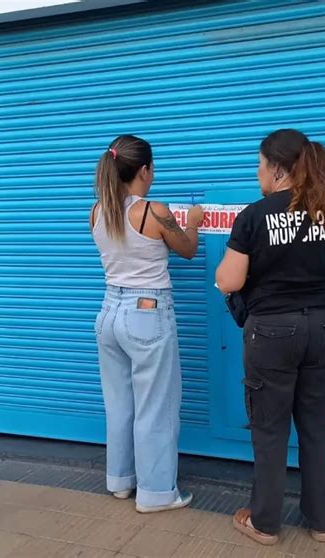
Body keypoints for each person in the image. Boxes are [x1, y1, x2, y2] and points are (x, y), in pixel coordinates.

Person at [216, 129, 325, 545]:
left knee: (270, 430)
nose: (258, 173)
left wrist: (224, 275)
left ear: (277, 169)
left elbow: (231, 279)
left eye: (259, 164)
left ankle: (265, 523)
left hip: (273, 332)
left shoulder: (254, 216)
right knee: (315, 428)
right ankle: (322, 523)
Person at [90, 134, 203, 513]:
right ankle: (157, 493)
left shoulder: (97, 211)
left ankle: (121, 481)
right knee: (156, 405)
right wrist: (194, 223)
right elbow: (187, 250)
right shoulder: (154, 211)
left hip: (108, 313)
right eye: (152, 169)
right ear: (144, 170)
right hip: (147, 314)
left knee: (119, 403)